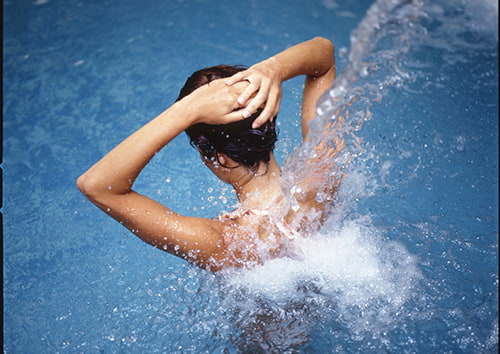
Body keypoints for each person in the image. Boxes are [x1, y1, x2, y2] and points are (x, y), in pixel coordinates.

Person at [77, 37, 336, 271]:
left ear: (218, 157)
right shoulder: (321, 176)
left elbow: (97, 186)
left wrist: (186, 111)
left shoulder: (222, 243)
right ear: (267, 114)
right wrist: (272, 70)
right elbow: (323, 56)